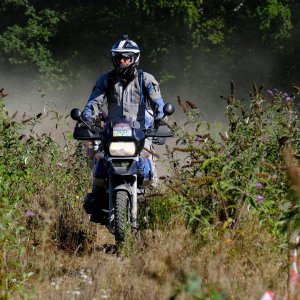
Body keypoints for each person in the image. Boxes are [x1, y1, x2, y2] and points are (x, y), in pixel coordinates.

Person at [81, 35, 165, 219]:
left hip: (140, 134)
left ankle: (153, 205)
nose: (122, 61)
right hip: (112, 133)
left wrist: (160, 116)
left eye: (126, 58)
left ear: (134, 59)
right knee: (98, 165)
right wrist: (86, 117)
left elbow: (158, 102)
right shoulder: (106, 79)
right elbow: (94, 102)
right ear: (113, 58)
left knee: (151, 171)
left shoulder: (146, 79)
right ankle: (97, 201)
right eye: (119, 58)